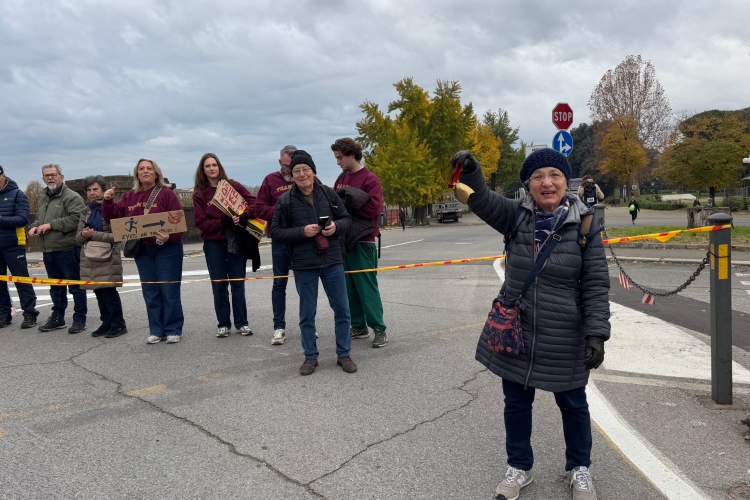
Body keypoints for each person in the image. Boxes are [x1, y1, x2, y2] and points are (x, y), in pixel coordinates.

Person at [450, 148, 610, 500]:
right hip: (516, 330)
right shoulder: (515, 216)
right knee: (516, 403)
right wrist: (472, 171)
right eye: (538, 176)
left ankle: (579, 468)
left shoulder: (585, 225)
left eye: (554, 175)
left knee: (574, 404)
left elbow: (596, 284)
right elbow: (482, 199)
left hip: (564, 333)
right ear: (529, 184)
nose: (546, 182)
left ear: (567, 182)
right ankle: (519, 467)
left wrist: (597, 333)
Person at [270, 150, 355, 376]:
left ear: (313, 171)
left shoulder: (329, 194)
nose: (302, 174)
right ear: (292, 175)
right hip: (303, 264)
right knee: (307, 313)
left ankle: (344, 354)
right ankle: (310, 356)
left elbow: (347, 219)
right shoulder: (285, 201)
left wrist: (335, 227)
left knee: (342, 309)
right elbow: (276, 232)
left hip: (333, 260)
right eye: (296, 170)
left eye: (305, 169)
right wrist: (302, 232)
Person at [102, 158, 185, 344]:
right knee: (150, 291)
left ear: (156, 173)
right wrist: (107, 201)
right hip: (143, 249)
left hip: (167, 249)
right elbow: (113, 217)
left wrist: (169, 236)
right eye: (141, 169)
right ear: (137, 174)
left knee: (169, 290)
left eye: (149, 168)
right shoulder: (130, 196)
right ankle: (156, 329)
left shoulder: (166, 194)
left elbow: (178, 222)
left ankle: (173, 329)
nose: (145, 171)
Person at [192, 153, 257, 338]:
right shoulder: (199, 194)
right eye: (208, 166)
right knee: (219, 285)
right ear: (203, 170)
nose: (212, 168)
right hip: (213, 243)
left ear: (219, 167)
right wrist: (222, 222)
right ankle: (223, 324)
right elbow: (200, 222)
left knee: (238, 284)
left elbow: (254, 202)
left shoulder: (233, 185)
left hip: (236, 240)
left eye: (214, 165)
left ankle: (242, 323)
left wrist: (244, 215)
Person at [331, 138, 388, 348]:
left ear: (352, 154)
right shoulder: (341, 179)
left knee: (366, 287)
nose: (338, 162)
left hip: (363, 241)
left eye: (340, 157)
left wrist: (348, 205)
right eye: (336, 158)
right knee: (349, 287)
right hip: (344, 240)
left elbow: (374, 210)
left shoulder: (370, 179)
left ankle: (379, 328)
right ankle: (358, 326)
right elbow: (335, 205)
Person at [28, 164, 87, 334]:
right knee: (56, 287)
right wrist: (34, 226)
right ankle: (58, 318)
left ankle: (79, 319)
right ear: (43, 178)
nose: (50, 178)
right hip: (48, 250)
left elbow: (77, 219)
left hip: (68, 249)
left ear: (62, 176)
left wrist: (51, 225)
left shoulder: (72, 196)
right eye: (47, 175)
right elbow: (39, 218)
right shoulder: (43, 197)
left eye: (53, 174)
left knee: (76, 286)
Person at [75, 176, 127, 338]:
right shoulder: (85, 211)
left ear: (103, 191)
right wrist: (84, 234)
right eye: (89, 190)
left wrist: (94, 235)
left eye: (95, 189)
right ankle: (106, 322)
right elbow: (77, 238)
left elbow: (119, 236)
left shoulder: (111, 208)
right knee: (98, 292)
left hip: (107, 256)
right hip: (90, 257)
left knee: (109, 292)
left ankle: (118, 324)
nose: (92, 193)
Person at [255, 145, 296, 346]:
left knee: (306, 283)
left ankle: (309, 325)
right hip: (280, 239)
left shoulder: (307, 176)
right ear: (280, 162)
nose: (290, 170)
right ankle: (279, 327)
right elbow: (259, 208)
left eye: (293, 166)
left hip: (302, 239)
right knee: (279, 284)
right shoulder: (270, 180)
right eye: (287, 166)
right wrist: (282, 210)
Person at [0, 164, 39, 329]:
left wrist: (1, 219)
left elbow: (23, 219)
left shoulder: (17, 194)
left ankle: (29, 313)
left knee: (21, 280)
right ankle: (3, 314)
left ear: (3, 176)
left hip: (14, 245)